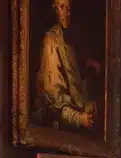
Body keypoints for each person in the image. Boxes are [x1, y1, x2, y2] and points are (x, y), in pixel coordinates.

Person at [34, 0, 96, 129]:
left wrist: (87, 105)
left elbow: (79, 86)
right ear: (55, 9)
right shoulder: (51, 40)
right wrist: (78, 118)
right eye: (62, 7)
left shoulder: (74, 39)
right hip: (60, 120)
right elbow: (55, 97)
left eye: (69, 8)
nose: (67, 13)